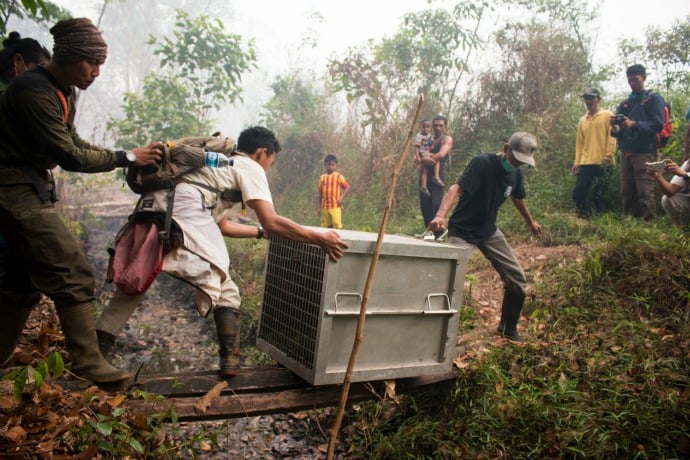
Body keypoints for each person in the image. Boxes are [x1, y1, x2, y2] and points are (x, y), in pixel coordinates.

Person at [96, 126, 350, 377]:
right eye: (269, 162)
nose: (267, 168)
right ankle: (230, 360)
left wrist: (260, 233)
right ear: (263, 152)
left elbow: (222, 225)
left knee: (134, 281)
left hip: (153, 206)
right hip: (183, 210)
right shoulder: (249, 166)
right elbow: (272, 220)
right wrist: (319, 237)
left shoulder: (216, 166)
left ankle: (93, 357)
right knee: (224, 283)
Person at [0, 18, 162, 383]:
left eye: (101, 64)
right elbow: (69, 156)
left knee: (21, 280)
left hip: (26, 185)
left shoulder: (63, 90)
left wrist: (128, 156)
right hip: (10, 187)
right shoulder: (32, 90)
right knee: (73, 272)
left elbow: (77, 143)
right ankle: (88, 362)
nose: (97, 72)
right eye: (92, 62)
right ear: (70, 55)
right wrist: (125, 157)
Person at [428, 132, 542, 341]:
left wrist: (530, 221)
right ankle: (437, 334)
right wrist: (440, 215)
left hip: (489, 231)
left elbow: (518, 198)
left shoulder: (515, 174)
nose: (516, 165)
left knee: (517, 278)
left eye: (521, 163)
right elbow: (457, 188)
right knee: (449, 280)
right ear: (506, 148)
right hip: (462, 231)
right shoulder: (482, 163)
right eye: (515, 159)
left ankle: (508, 328)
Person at [610, 64, 665, 220]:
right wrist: (615, 128)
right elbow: (619, 131)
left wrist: (634, 124)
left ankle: (649, 225)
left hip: (645, 152)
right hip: (626, 151)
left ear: (644, 78)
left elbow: (658, 124)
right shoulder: (625, 104)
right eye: (630, 80)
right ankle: (630, 224)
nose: (632, 83)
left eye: (636, 79)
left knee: (645, 190)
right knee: (627, 191)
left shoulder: (654, 99)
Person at [571, 87, 617, 217]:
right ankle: (583, 218)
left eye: (591, 98)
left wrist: (608, 155)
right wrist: (577, 162)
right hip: (586, 162)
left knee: (601, 194)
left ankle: (602, 219)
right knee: (579, 192)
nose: (588, 101)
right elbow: (580, 143)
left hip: (603, 162)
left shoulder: (608, 115)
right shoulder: (583, 120)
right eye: (586, 98)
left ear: (598, 100)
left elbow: (612, 136)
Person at [419, 115, 452, 239]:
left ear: (445, 127)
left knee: (436, 204)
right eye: (436, 125)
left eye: (441, 125)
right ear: (432, 126)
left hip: (438, 177)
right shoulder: (428, 139)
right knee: (424, 205)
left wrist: (427, 159)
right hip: (424, 176)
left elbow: (442, 154)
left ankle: (440, 232)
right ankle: (429, 232)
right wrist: (422, 158)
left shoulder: (446, 139)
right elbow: (419, 153)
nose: (438, 128)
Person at [646, 159, 690, 228]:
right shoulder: (688, 164)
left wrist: (685, 175)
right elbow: (670, 191)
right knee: (667, 199)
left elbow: (685, 175)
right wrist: (657, 175)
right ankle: (684, 230)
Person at [318, 154, 350, 229]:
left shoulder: (338, 176)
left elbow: (347, 187)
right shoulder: (322, 178)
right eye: (329, 165)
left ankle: (337, 240)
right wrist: (319, 207)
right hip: (325, 206)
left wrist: (341, 198)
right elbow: (320, 193)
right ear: (325, 165)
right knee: (326, 226)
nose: (331, 167)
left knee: (337, 225)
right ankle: (328, 240)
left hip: (335, 205)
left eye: (333, 165)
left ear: (336, 166)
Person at [413, 119, 441, 196]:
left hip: (427, 153)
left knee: (425, 170)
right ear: (420, 127)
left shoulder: (429, 136)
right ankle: (436, 176)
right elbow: (416, 147)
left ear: (430, 128)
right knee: (436, 159)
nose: (426, 129)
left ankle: (424, 186)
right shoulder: (419, 136)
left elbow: (430, 144)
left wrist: (432, 144)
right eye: (424, 127)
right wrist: (418, 156)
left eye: (428, 127)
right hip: (422, 153)